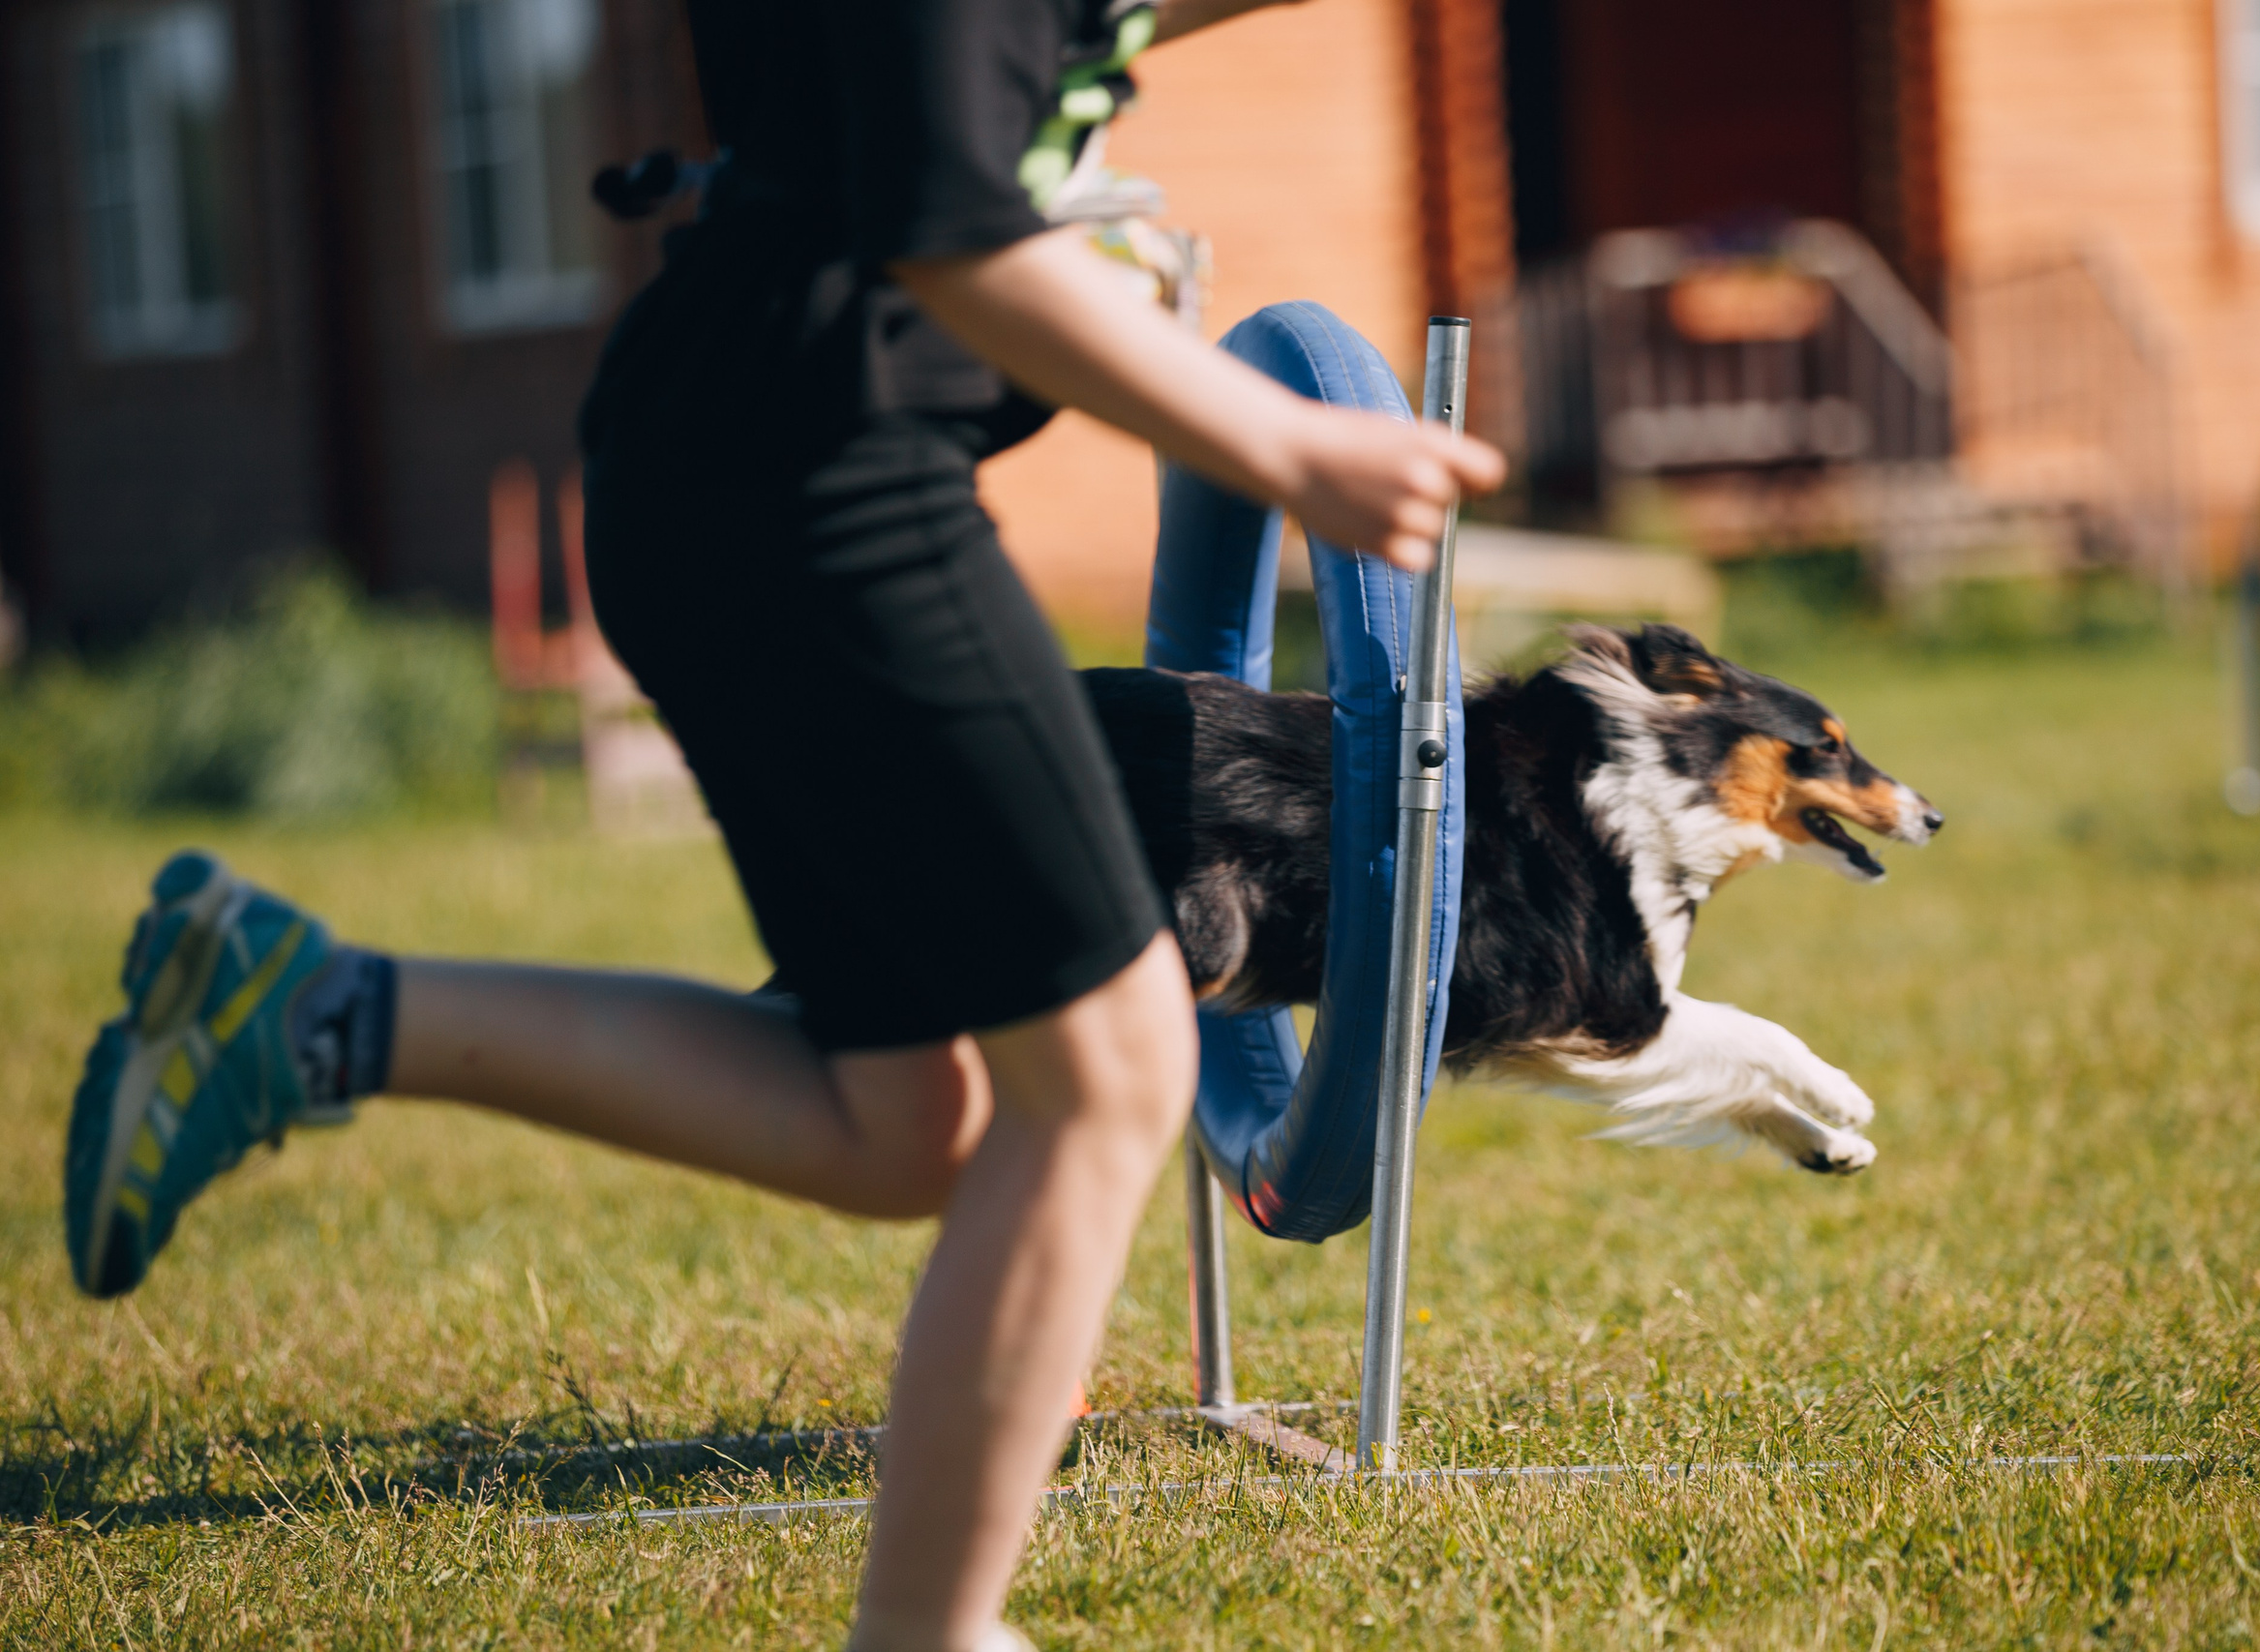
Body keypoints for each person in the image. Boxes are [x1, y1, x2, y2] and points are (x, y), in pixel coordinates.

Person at [61, 2, 1504, 1647]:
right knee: (1110, 1077)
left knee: (903, 1123)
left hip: (753, 467)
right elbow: (953, 237)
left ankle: (306, 1013)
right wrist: (1286, 439)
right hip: (820, 486)